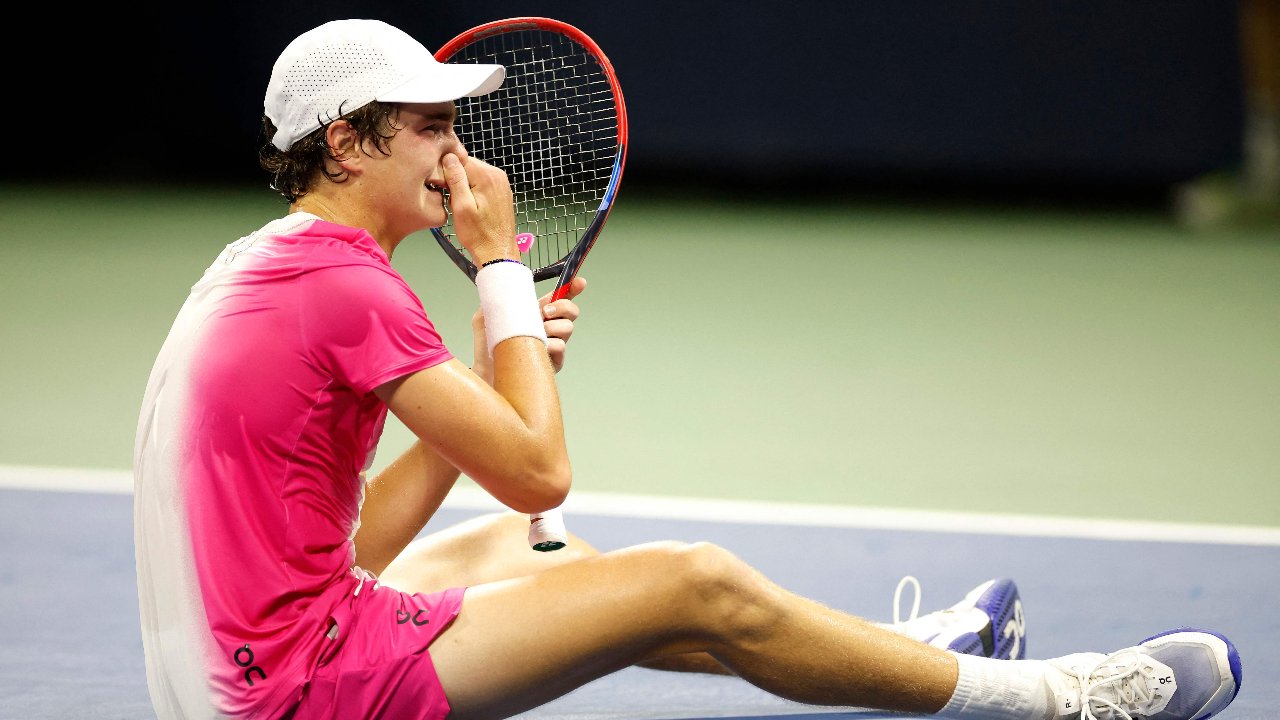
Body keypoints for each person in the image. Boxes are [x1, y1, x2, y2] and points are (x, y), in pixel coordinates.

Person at [132, 17, 1243, 720]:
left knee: (525, 554)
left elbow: (346, 547)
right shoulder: (348, 288)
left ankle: (893, 656)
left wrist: (469, 390)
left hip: (224, 682)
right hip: (295, 695)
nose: (460, 159)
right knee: (689, 580)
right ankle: (1055, 699)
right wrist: (497, 278)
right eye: (430, 129)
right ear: (345, 142)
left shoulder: (268, 269)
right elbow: (539, 473)